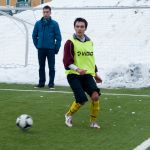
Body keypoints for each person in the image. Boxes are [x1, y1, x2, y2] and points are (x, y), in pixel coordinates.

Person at [63, 18, 102, 128]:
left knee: (95, 96)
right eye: (77, 26)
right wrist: (77, 69)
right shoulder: (70, 42)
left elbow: (90, 60)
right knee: (81, 100)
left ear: (85, 28)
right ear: (74, 27)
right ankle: (68, 115)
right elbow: (66, 61)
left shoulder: (90, 42)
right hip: (73, 75)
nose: (79, 29)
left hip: (87, 74)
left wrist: (95, 74)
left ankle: (93, 122)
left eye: (82, 27)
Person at [32, 5, 62, 89]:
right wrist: (37, 45)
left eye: (47, 12)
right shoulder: (38, 23)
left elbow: (58, 37)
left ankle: (51, 83)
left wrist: (56, 48)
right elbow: (34, 35)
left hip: (50, 49)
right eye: (44, 12)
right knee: (41, 67)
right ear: (43, 12)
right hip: (41, 49)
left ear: (50, 12)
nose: (46, 13)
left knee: (51, 67)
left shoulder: (55, 24)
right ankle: (41, 83)